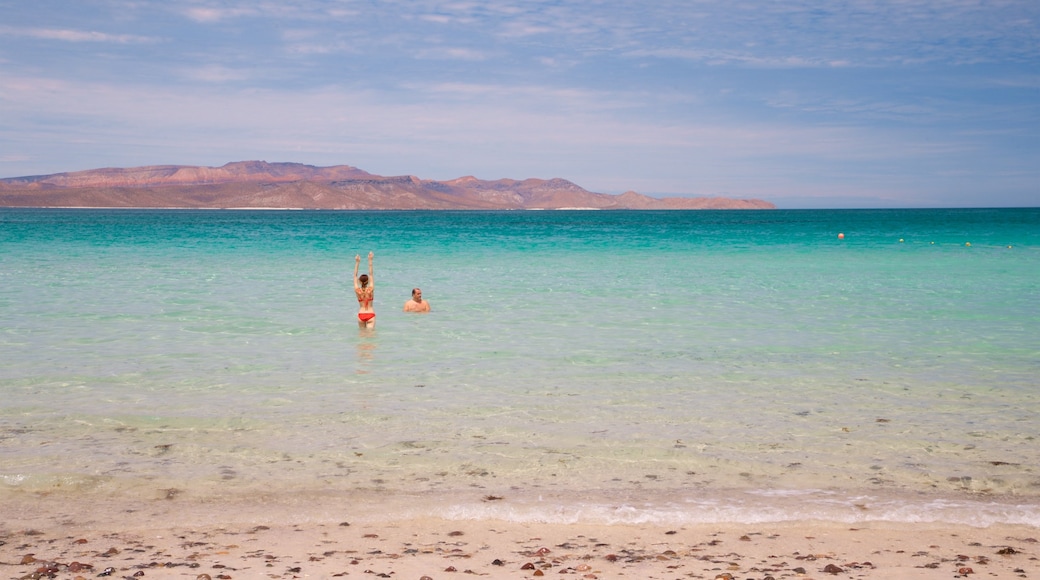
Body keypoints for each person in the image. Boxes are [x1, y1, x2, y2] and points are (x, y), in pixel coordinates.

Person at [354, 252, 375, 328]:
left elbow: (355, 275)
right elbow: (371, 274)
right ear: (368, 281)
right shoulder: (371, 289)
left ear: (359, 281)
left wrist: (357, 262)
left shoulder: (357, 290)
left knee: (362, 336)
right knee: (370, 336)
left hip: (361, 314)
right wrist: (370, 260)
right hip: (370, 313)